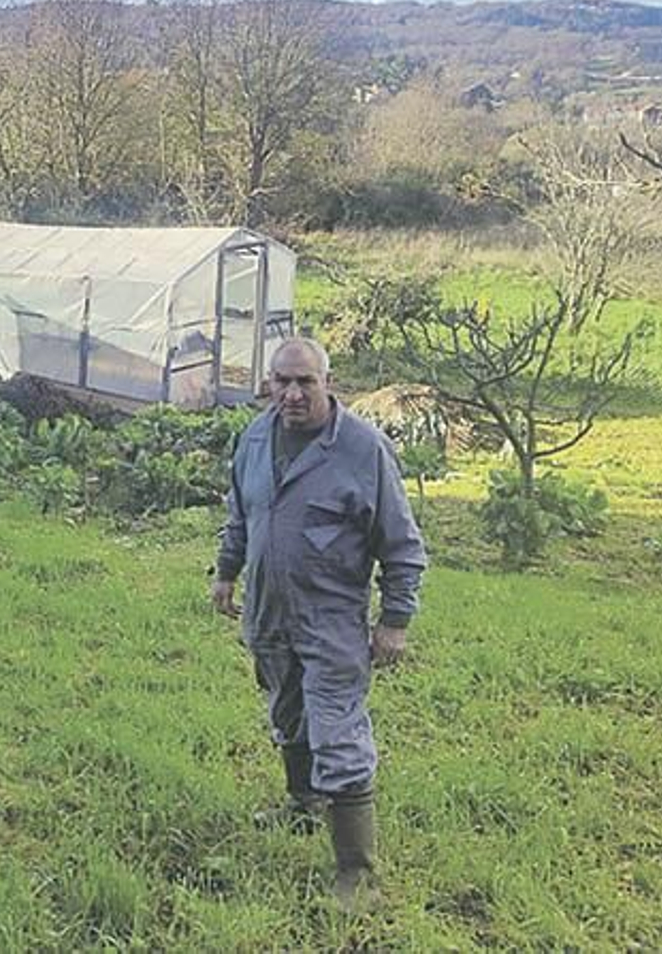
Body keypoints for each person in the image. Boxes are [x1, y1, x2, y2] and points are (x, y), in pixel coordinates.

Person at [210, 337, 426, 910]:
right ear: (269, 384)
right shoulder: (254, 438)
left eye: (306, 381)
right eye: (282, 381)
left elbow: (401, 545)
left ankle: (358, 874)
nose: (293, 393)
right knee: (286, 712)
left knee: (338, 733)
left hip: (330, 620)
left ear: (328, 383)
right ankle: (303, 804)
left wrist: (395, 620)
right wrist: (226, 572)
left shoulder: (362, 450)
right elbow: (241, 513)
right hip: (268, 612)